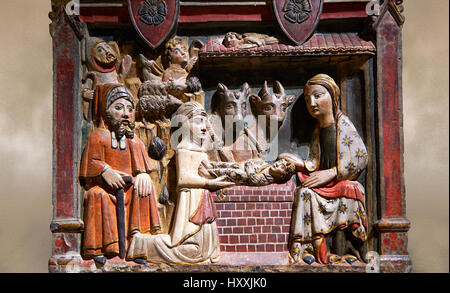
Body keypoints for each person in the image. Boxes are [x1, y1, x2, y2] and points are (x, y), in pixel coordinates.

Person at [126, 102, 234, 264]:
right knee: (189, 252)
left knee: (206, 251)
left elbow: (208, 170)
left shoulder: (200, 150)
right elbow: (183, 179)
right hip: (191, 201)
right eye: (198, 121)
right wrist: (209, 183)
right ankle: (141, 243)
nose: (204, 127)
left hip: (202, 200)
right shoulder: (184, 149)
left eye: (205, 122)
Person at [281, 74, 369, 265]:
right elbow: (314, 160)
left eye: (318, 95)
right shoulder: (318, 129)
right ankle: (308, 249)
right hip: (324, 185)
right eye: (307, 99)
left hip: (338, 180)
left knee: (351, 189)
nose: (312, 103)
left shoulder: (343, 124)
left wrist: (333, 172)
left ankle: (351, 249)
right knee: (304, 193)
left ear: (333, 96)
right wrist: (300, 163)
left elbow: (360, 157)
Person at [79, 84, 161, 265]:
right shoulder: (98, 136)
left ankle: (137, 247)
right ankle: (101, 248)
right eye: (118, 107)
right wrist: (105, 170)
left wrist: (143, 175)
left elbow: (142, 167)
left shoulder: (133, 140)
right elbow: (90, 164)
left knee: (143, 189)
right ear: (105, 111)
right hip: (106, 190)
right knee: (96, 195)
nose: (125, 113)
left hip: (128, 189)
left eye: (130, 109)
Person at [198, 157, 300, 186]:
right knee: (232, 165)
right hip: (242, 168)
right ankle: (211, 166)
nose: (277, 164)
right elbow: (250, 162)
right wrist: (249, 167)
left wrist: (250, 168)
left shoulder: (266, 179)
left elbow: (253, 179)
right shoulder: (265, 164)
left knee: (234, 172)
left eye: (281, 167)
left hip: (240, 178)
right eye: (279, 162)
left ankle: (210, 175)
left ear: (281, 176)